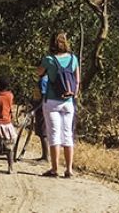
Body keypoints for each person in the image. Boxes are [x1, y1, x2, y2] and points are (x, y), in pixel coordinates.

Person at [36, 32, 80, 178]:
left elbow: (39, 73)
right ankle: (69, 169)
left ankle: (54, 168)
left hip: (52, 101)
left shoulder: (49, 59)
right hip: (68, 102)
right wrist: (74, 94)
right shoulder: (73, 58)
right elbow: (77, 80)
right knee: (68, 135)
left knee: (54, 134)